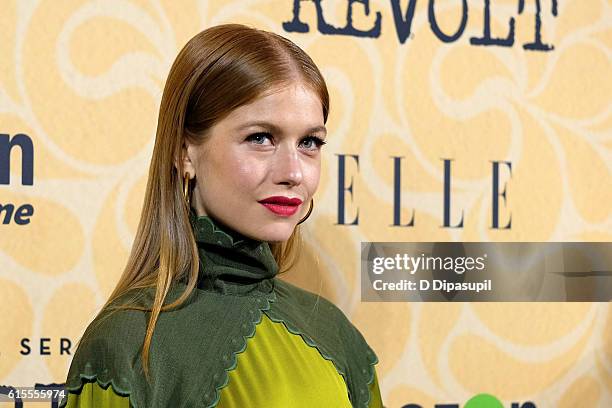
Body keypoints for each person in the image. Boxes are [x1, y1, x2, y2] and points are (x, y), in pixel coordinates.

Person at [59, 23, 383, 408]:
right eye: (260, 138)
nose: (294, 172)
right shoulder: (126, 344)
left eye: (309, 142)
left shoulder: (336, 334)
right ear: (184, 153)